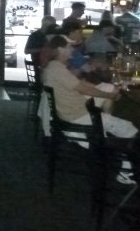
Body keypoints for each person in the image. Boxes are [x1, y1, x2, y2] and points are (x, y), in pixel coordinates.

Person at [42, 35, 138, 183]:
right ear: (60, 49)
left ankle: (106, 130)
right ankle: (126, 173)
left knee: (108, 93)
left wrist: (108, 92)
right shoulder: (58, 70)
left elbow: (80, 84)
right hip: (77, 116)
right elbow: (84, 89)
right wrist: (110, 95)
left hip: (73, 110)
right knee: (131, 129)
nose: (72, 49)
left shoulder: (55, 67)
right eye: (69, 46)